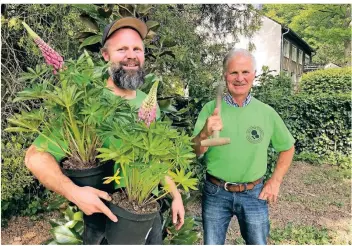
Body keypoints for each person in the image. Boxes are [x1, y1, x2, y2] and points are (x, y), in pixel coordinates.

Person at [25, 17, 184, 245]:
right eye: (122, 49)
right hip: (104, 224)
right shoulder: (86, 101)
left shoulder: (149, 103)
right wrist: (73, 192)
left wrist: (175, 194)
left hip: (148, 215)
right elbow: (34, 157)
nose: (131, 55)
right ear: (105, 55)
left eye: (137, 48)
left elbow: (155, 160)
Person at [192, 48, 295, 245]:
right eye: (234, 73)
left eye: (245, 72)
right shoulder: (210, 109)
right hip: (216, 192)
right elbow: (196, 150)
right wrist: (205, 132)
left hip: (254, 194)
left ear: (254, 75)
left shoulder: (266, 113)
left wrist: (275, 181)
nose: (239, 78)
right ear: (225, 76)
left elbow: (287, 148)